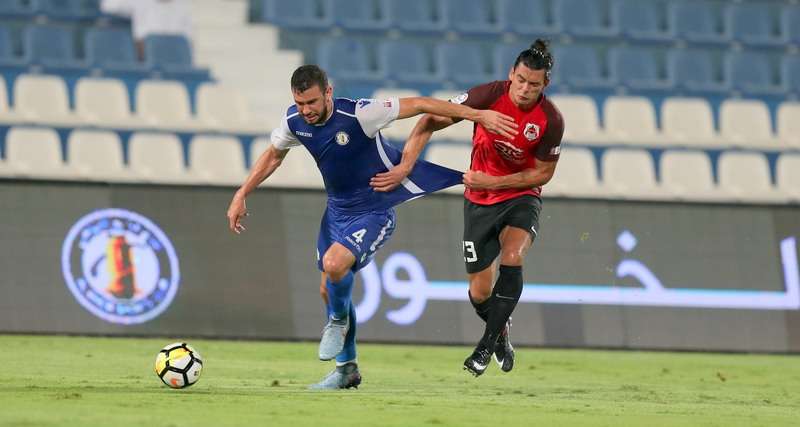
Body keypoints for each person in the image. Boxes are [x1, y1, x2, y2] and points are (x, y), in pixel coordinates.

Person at [226, 65, 517, 389]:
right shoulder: (293, 121)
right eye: (300, 103)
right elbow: (273, 156)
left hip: (374, 211)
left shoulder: (362, 114)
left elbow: (421, 104)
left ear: (328, 93)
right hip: (336, 213)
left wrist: (477, 115)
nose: (306, 110)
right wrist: (242, 193)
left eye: (311, 102)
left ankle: (337, 322)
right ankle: (346, 369)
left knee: (335, 266)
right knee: (329, 287)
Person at [371, 39, 564, 377]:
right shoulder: (489, 96)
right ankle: (501, 333)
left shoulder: (551, 119)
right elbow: (430, 119)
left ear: (545, 84)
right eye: (520, 80)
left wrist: (496, 182)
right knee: (479, 292)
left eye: (533, 84)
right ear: (511, 74)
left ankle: (484, 346)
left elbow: (544, 173)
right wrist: (405, 166)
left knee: (513, 256)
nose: (524, 89)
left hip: (520, 194)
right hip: (479, 200)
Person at [100, 0, 192, 60]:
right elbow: (107, 5)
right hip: (144, 59)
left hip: (174, 63)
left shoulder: (184, 5)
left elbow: (187, 45)